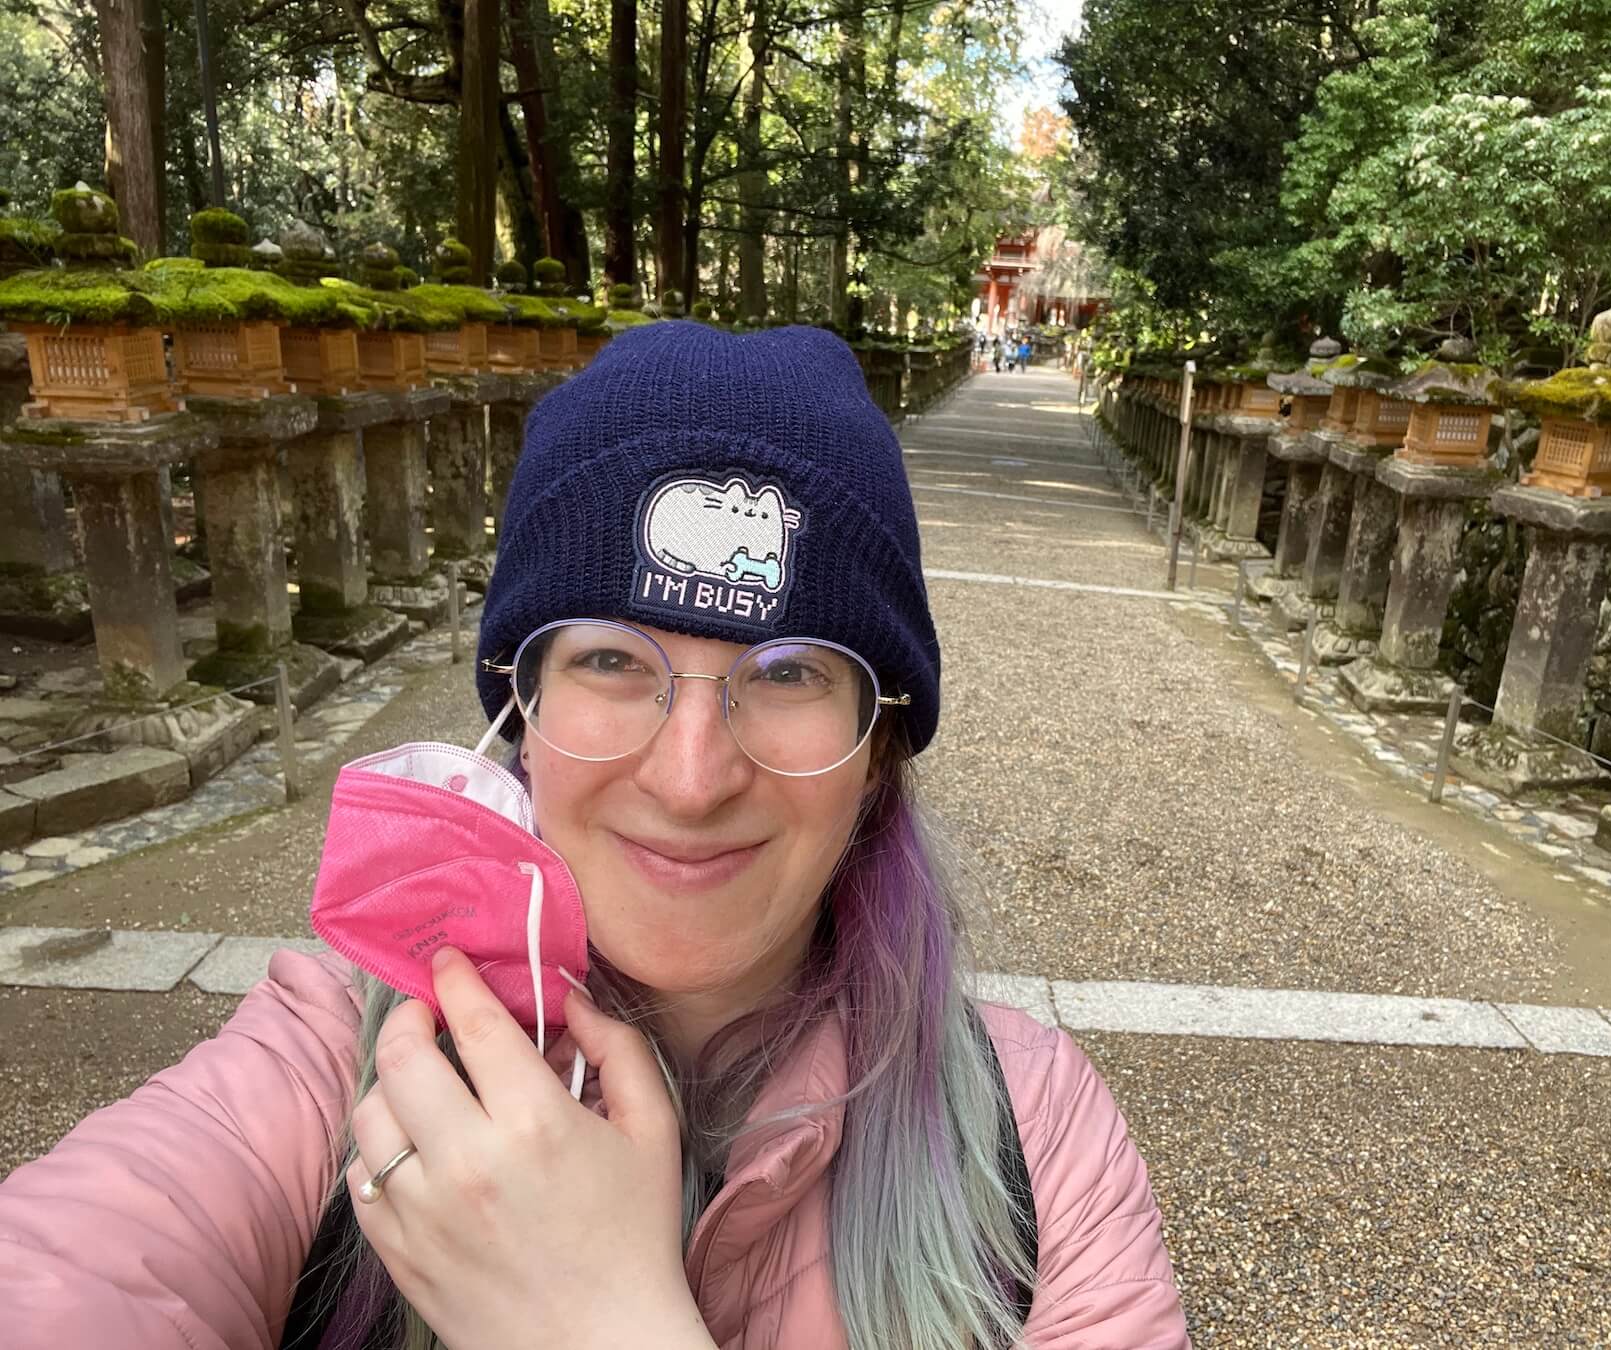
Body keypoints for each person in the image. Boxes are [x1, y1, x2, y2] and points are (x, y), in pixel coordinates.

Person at [0, 322, 1191, 1350]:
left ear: (881, 746)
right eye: (614, 661)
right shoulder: (323, 1080)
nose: (688, 779)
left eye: (787, 673)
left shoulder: (1027, 1140)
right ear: (520, 707)